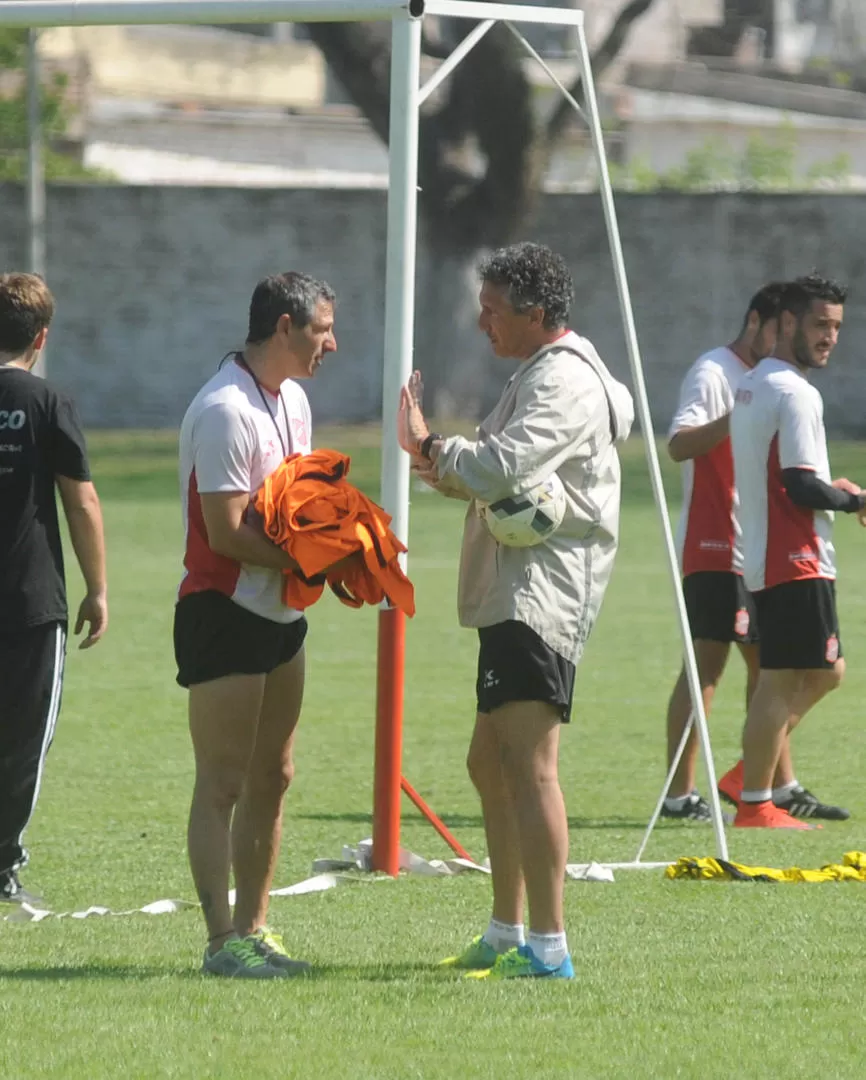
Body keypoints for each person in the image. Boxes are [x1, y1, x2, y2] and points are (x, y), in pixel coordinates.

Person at [399, 242, 633, 979]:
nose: (480, 324)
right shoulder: (539, 372)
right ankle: (505, 933)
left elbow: (501, 467)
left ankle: (550, 947)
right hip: (515, 587)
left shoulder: (563, 380)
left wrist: (433, 444)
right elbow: (502, 476)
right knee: (488, 762)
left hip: (541, 594)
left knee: (530, 769)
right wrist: (448, 468)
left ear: (535, 313)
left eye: (493, 310)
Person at [175, 271, 342, 977]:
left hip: (281, 614)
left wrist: (341, 534)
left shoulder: (293, 400)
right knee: (223, 781)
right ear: (282, 326)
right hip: (223, 610)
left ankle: (256, 927)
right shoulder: (223, 409)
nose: (331, 343)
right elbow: (227, 532)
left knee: (275, 774)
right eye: (321, 329)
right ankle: (220, 943)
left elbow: (293, 502)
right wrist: (313, 559)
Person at [661, 283, 848, 823]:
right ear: (762, 324)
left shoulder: (768, 383)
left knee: (776, 668)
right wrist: (740, 418)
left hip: (756, 543)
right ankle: (682, 794)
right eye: (791, 326)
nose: (819, 337)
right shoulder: (716, 372)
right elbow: (678, 444)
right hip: (715, 539)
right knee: (707, 669)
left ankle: (770, 782)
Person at [730, 274, 865, 829]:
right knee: (781, 680)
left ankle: (751, 774)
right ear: (787, 324)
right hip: (795, 555)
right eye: (818, 324)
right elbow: (800, 486)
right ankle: (756, 799)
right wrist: (854, 498)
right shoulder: (795, 392)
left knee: (827, 670)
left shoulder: (756, 382)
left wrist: (837, 490)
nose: (829, 336)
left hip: (771, 552)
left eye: (835, 326)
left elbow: (789, 474)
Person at [0, 272, 108, 905]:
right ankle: (3, 867)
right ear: (42, 337)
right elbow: (82, 501)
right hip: (31, 602)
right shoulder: (49, 403)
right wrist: (98, 588)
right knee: (22, 741)